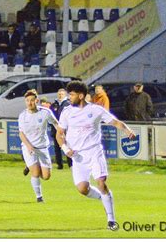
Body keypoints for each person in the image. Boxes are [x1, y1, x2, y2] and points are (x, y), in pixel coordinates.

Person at [56, 80, 135, 231]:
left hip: (94, 152)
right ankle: (103, 197)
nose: (69, 97)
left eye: (71, 95)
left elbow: (115, 122)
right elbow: (59, 134)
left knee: (101, 182)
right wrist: (65, 149)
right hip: (78, 157)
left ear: (80, 95)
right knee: (82, 189)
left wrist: (127, 130)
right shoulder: (67, 112)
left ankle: (111, 220)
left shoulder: (96, 110)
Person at [18, 89, 58, 203]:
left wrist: (61, 133)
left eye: (32, 100)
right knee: (35, 173)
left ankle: (30, 166)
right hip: (28, 147)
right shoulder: (22, 116)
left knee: (46, 176)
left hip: (43, 148)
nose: (30, 103)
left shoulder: (45, 112)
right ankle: (39, 197)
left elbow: (56, 123)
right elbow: (21, 133)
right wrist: (29, 146)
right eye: (27, 101)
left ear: (37, 101)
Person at [49, 89, 72, 169]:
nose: (60, 95)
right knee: (57, 147)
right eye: (59, 94)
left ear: (65, 95)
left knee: (67, 145)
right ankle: (59, 164)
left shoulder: (68, 104)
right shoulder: (53, 105)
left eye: (62, 94)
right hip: (55, 129)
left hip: (66, 129)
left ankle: (70, 164)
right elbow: (50, 116)